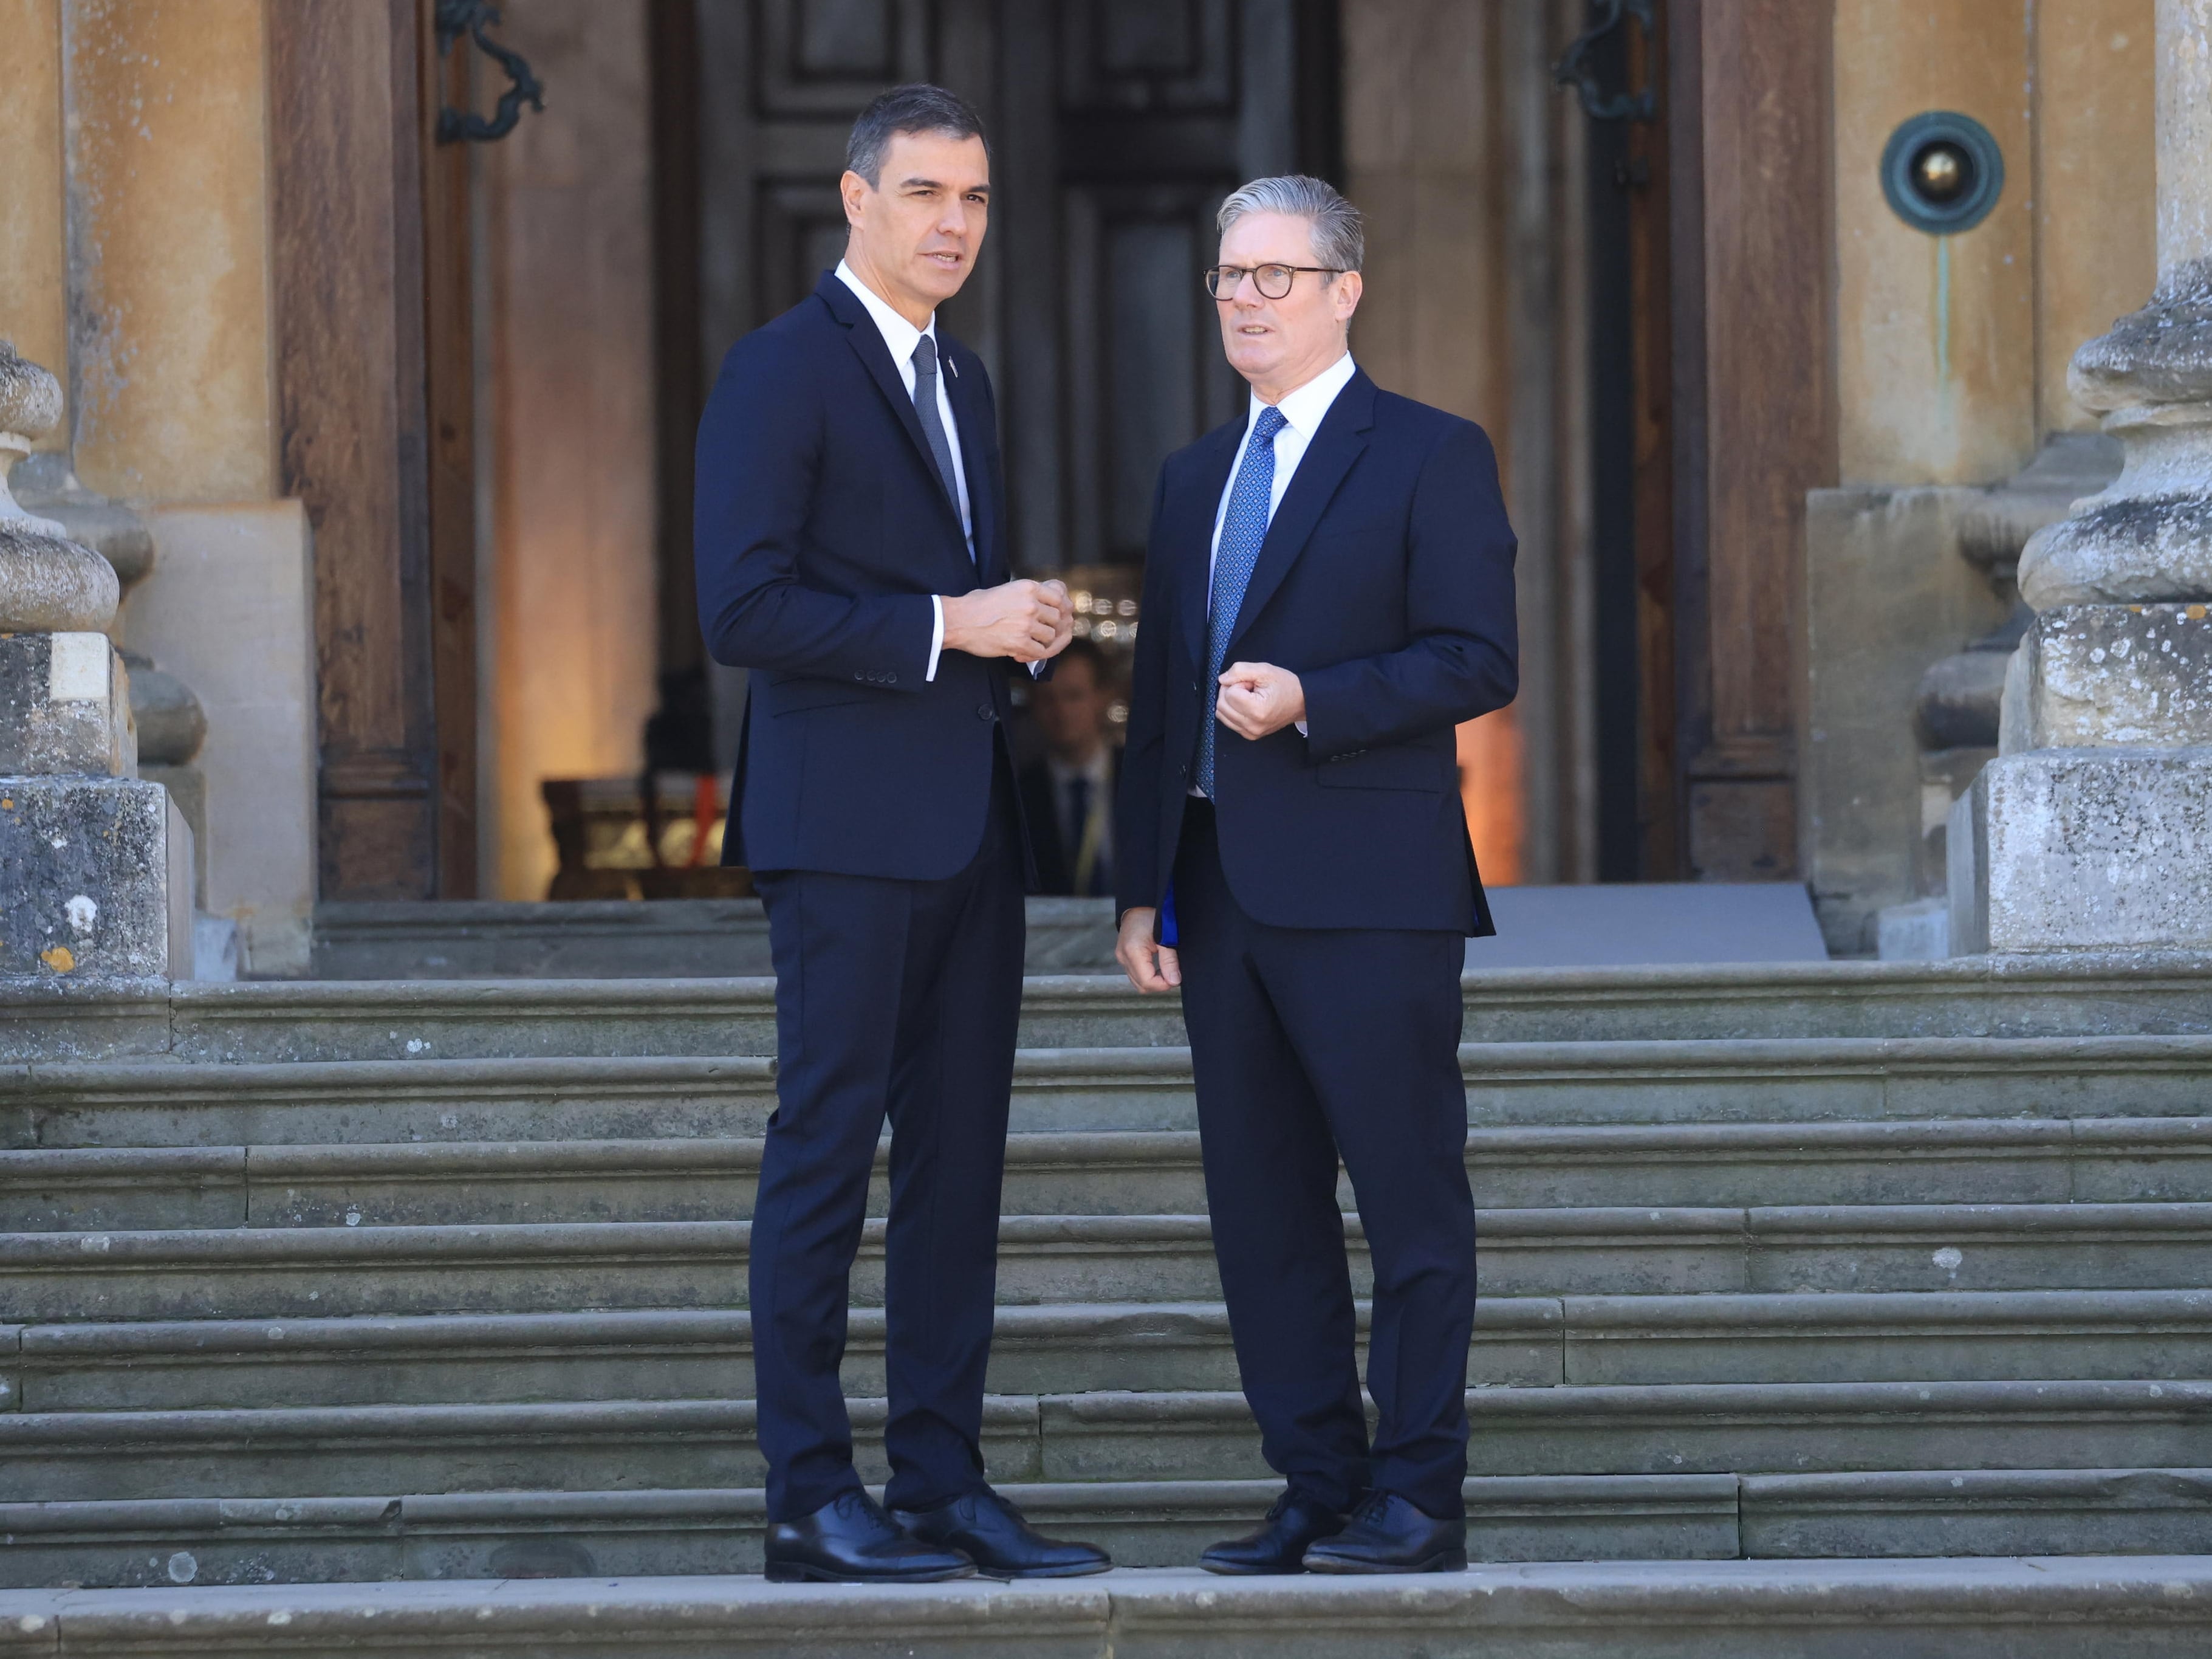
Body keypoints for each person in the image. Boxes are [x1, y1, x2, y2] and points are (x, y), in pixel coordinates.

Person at [694, 83, 1109, 1585]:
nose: (956, 224)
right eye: (928, 193)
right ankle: (811, 1495)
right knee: (824, 1154)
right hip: (840, 830)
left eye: (976, 200)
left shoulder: (967, 383)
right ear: (856, 199)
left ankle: (939, 1481)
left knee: (960, 1166)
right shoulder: (777, 371)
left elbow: (948, 600)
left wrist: (1018, 627)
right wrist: (951, 620)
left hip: (966, 824)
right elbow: (740, 611)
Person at [1114, 176, 1518, 1575]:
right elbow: (1157, 705)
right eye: (1227, 277)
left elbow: (1478, 656)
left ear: (1345, 291)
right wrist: (1137, 887)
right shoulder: (1187, 480)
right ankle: (1316, 1485)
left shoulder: (1429, 453)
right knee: (1262, 1215)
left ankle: (1419, 1498)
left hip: (1374, 892)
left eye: (1273, 276)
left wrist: (1317, 700)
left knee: (1407, 1205)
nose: (1242, 299)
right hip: (1220, 897)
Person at [1017, 636, 1120, 896]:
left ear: (1103, 697)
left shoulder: (1145, 779)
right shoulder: (1018, 792)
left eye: (1073, 696)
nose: (1061, 711)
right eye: (1047, 699)